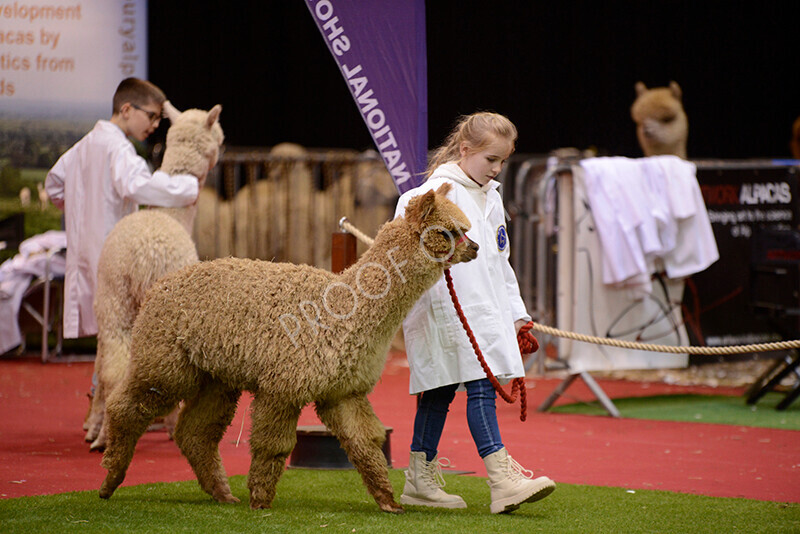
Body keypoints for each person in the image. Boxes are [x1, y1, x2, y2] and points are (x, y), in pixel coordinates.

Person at [394, 111, 555, 514]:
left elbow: (501, 261)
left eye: (503, 161)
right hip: (445, 312)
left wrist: (517, 314)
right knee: (473, 387)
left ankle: (419, 479)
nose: (497, 168)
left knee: (441, 392)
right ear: (465, 150)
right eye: (491, 160)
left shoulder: (491, 196)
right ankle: (502, 480)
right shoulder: (427, 198)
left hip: (484, 312)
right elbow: (408, 260)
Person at [45, 77, 200, 340]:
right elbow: (137, 186)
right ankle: (104, 383)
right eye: (151, 116)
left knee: (107, 334)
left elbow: (54, 185)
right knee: (120, 332)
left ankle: (100, 382)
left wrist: (81, 205)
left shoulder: (83, 146)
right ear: (127, 110)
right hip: (113, 253)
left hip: (83, 251)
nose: (155, 125)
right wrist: (188, 187)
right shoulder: (118, 147)